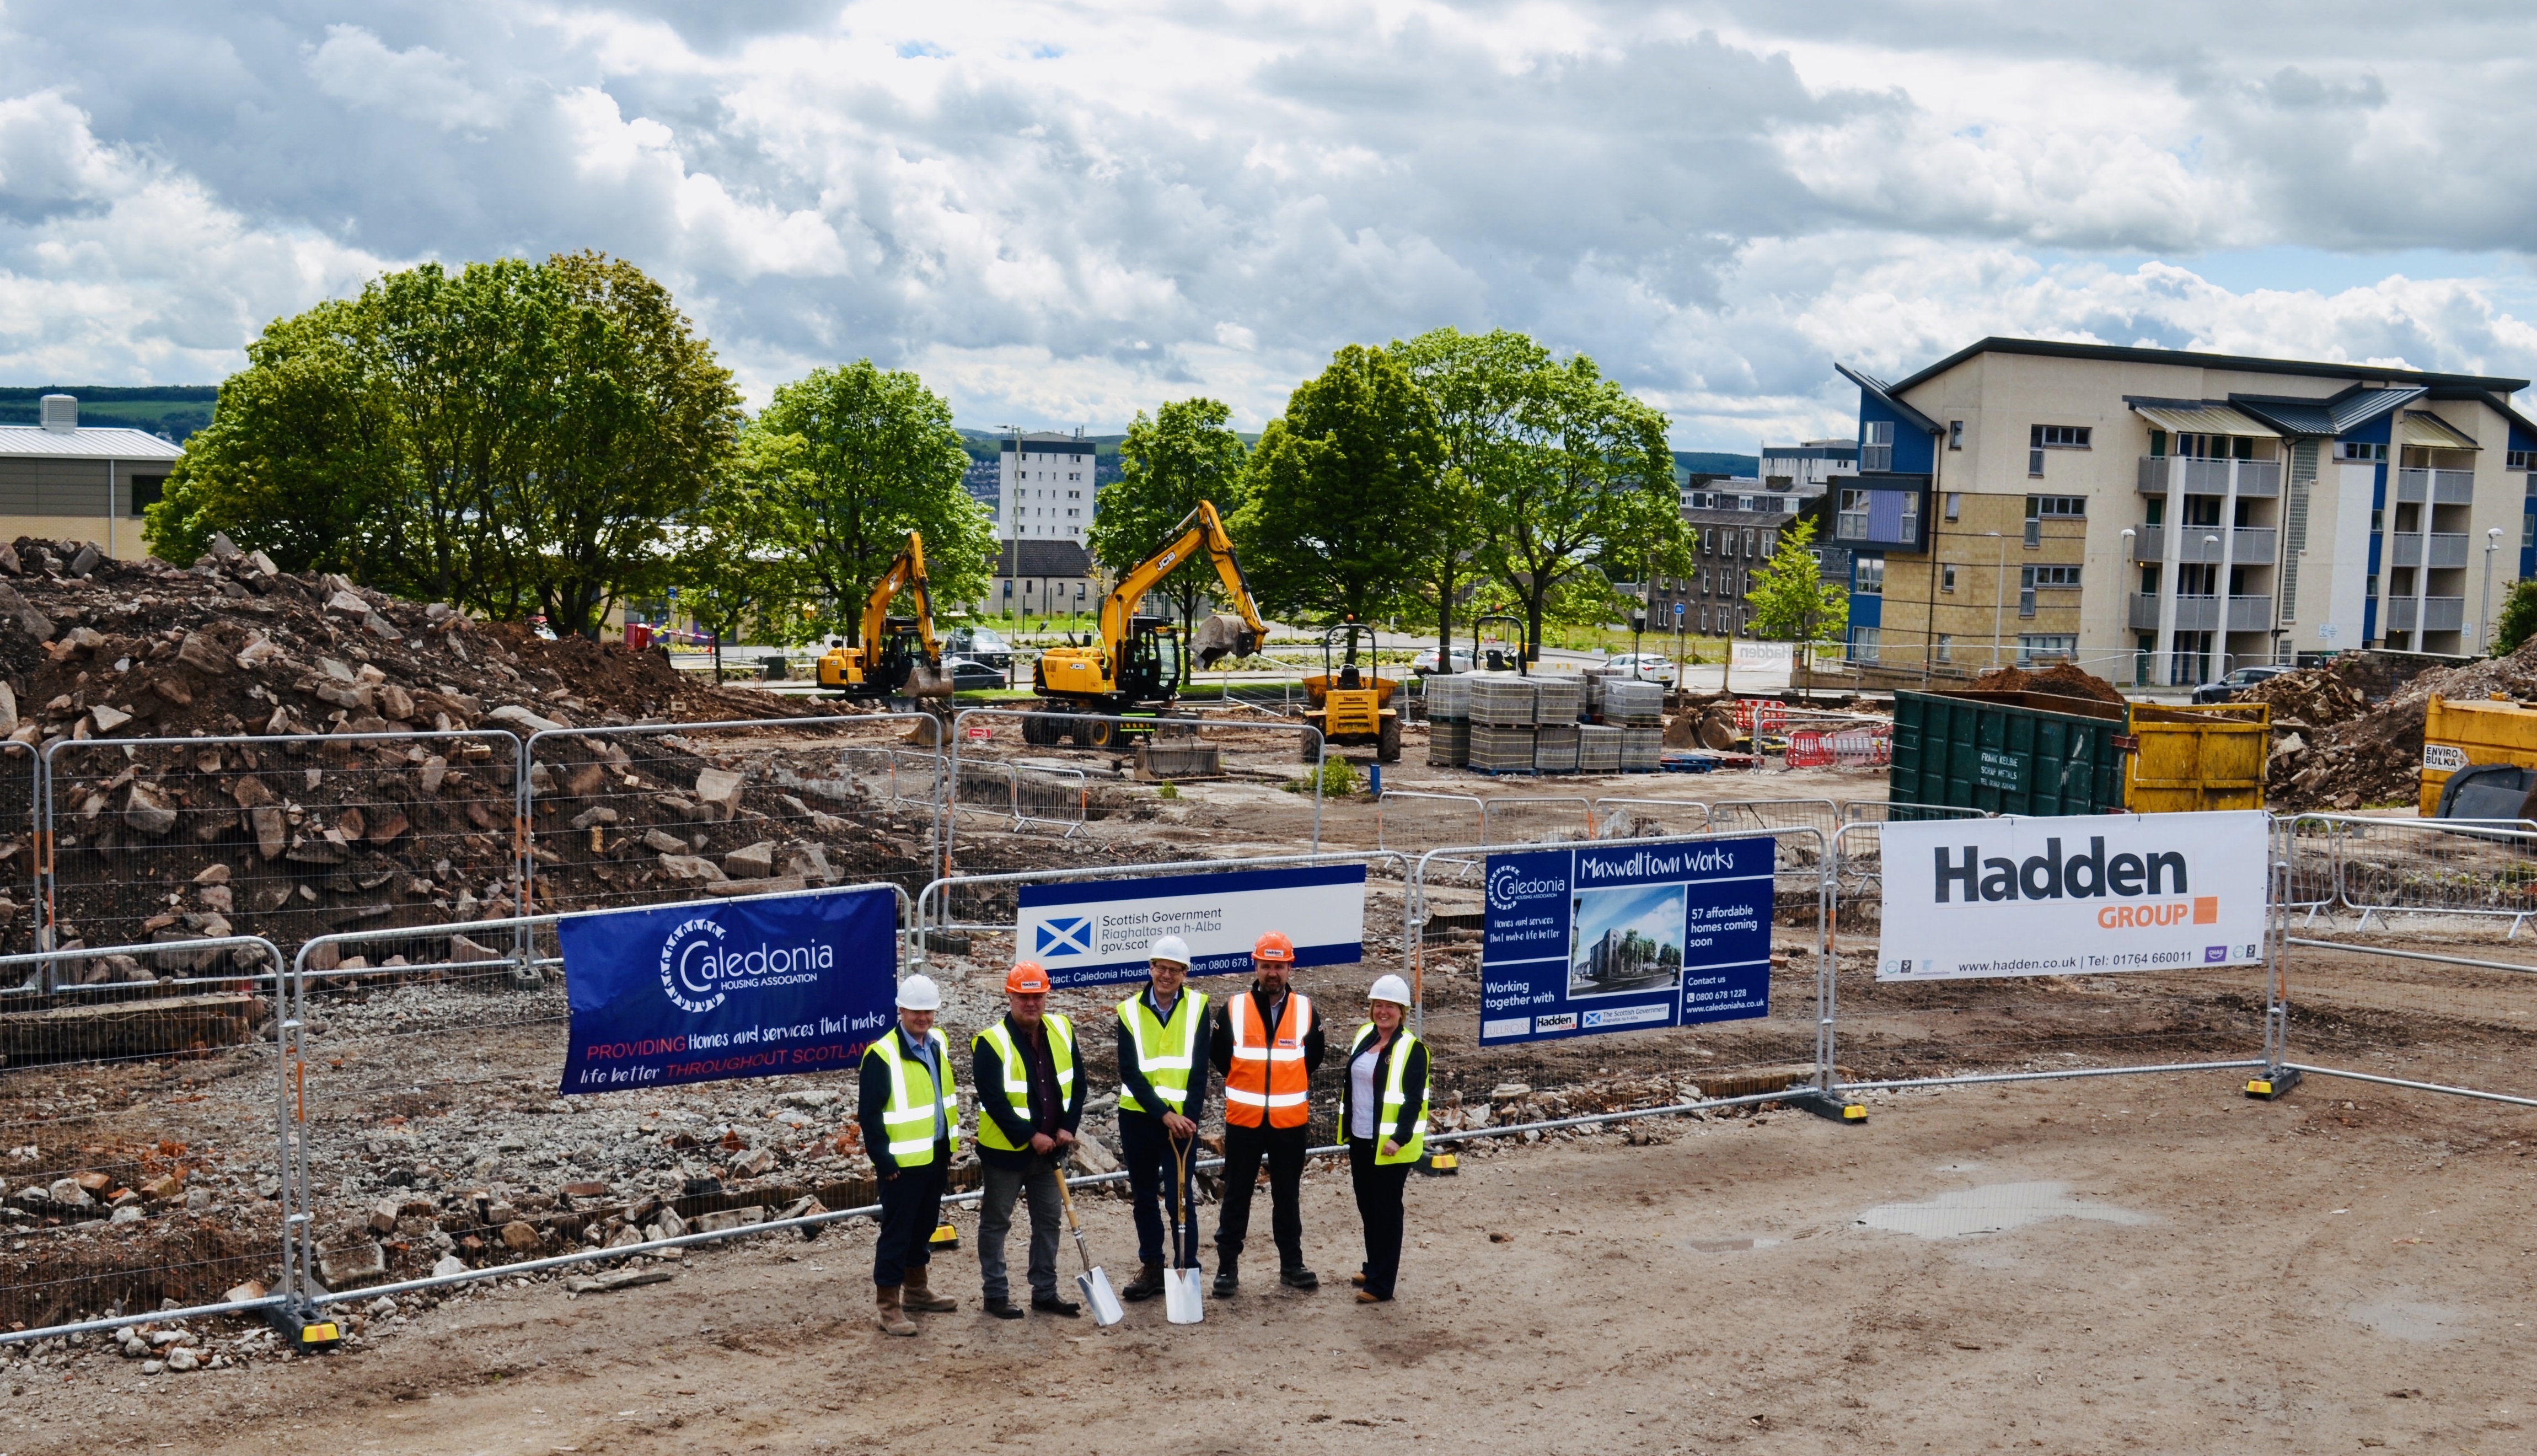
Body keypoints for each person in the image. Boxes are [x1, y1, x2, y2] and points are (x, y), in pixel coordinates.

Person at [1208, 930, 1324, 1295]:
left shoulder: (1305, 1009)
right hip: (1244, 1120)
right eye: (1266, 965)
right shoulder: (1234, 1007)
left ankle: (1292, 1264)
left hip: (1289, 1121)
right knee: (1237, 1193)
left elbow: (1314, 1056)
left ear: (1289, 967)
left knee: (1286, 1195)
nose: (1272, 972)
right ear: (1254, 964)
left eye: (1278, 966)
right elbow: (1220, 1055)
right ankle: (1227, 1267)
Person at [971, 961, 1085, 1319]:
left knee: (1048, 1220)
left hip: (1053, 1148)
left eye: (1037, 996)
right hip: (1006, 1153)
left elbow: (1077, 1083)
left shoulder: (1062, 1029)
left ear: (1046, 995)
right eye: (1023, 996)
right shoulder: (991, 1042)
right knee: (996, 1221)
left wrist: (1069, 1125)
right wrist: (1030, 1136)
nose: (1031, 1003)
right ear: (1010, 995)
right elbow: (994, 1101)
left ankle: (1045, 1291)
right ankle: (995, 1293)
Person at [857, 973, 961, 1336]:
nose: (923, 1017)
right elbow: (869, 1116)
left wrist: (947, 1148)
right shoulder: (881, 1055)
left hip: (934, 1156)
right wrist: (884, 1162)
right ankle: (888, 1306)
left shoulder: (937, 1043)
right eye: (916, 1011)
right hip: (900, 1166)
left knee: (924, 1228)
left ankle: (916, 1290)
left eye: (928, 1011)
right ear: (900, 1010)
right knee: (897, 1234)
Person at [1114, 933, 1209, 1302]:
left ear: (1184, 973)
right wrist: (1163, 1114)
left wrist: (1188, 1118)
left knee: (1180, 1198)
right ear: (1150, 968)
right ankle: (1152, 1266)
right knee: (1143, 1197)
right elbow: (1129, 1071)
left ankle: (1188, 1265)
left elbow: (1199, 1071)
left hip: (1183, 1122)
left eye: (1174, 970)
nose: (1166, 975)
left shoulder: (1199, 1007)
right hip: (1139, 1117)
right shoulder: (1129, 1011)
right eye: (1161, 968)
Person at [1336, 974, 1429, 1304]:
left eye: (1390, 1005)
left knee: (1387, 1212)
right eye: (1378, 1004)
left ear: (1402, 1011)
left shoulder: (1412, 1049)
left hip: (1390, 1146)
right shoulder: (1364, 1035)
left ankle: (1381, 1285)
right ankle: (1373, 1264)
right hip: (1361, 1137)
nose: (1382, 1011)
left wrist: (1399, 1138)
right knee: (1367, 1205)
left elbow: (1413, 1100)